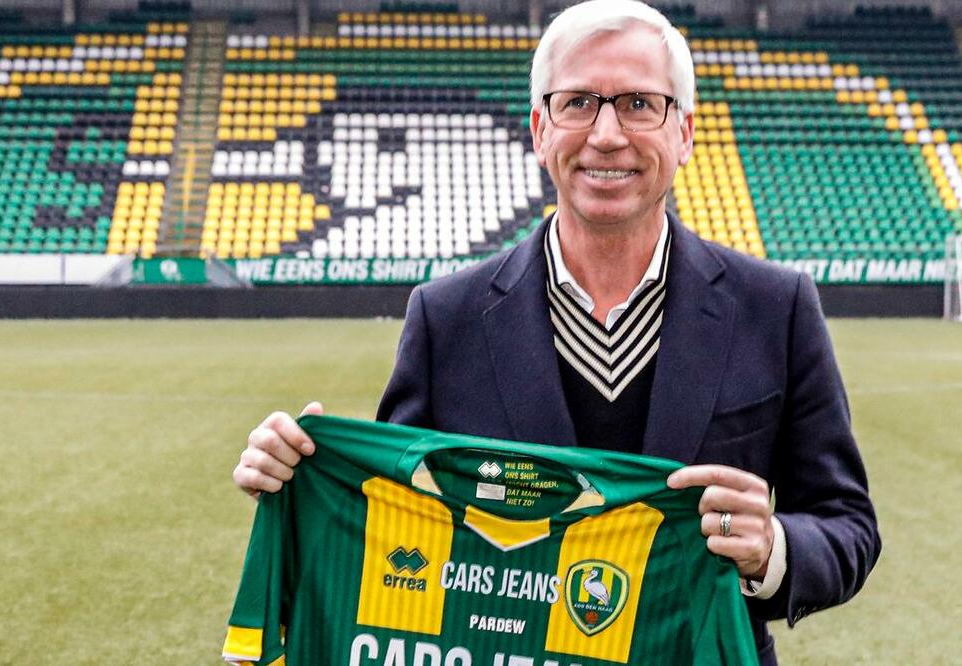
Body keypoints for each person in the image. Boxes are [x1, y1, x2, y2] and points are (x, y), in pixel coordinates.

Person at [232, 1, 880, 663]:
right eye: (578, 103)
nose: (607, 134)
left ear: (684, 133)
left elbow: (848, 526)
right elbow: (394, 526)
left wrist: (770, 549)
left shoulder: (776, 307)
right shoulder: (445, 317)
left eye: (639, 104)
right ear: (540, 130)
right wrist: (298, 482)